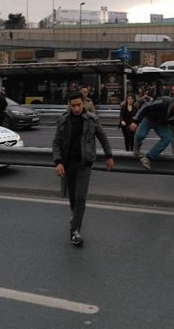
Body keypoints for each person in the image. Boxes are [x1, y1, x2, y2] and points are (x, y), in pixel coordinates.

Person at [53, 91, 114, 246]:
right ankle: (75, 215)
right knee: (73, 197)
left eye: (79, 105)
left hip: (84, 164)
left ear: (83, 103)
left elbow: (103, 137)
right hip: (68, 164)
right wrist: (58, 162)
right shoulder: (64, 121)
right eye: (73, 106)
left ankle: (75, 231)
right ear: (69, 105)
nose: (76, 109)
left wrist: (109, 155)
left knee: (80, 197)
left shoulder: (92, 120)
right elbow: (56, 143)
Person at [129, 96, 174, 170]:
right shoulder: (165, 102)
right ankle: (137, 146)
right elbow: (146, 106)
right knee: (141, 135)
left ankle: (148, 158)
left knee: (168, 138)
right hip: (149, 119)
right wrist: (135, 121)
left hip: (161, 124)